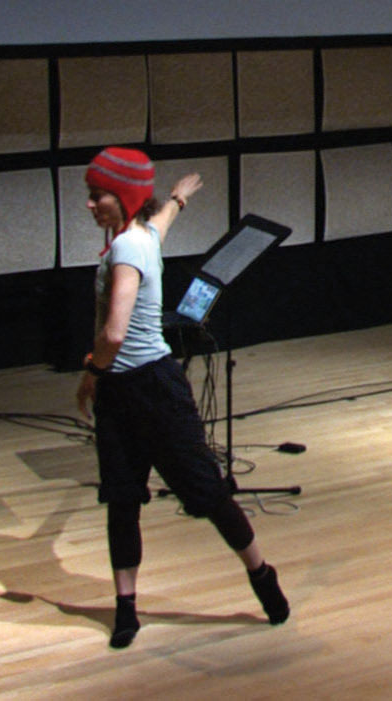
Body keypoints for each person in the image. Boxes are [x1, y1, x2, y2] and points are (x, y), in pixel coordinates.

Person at [75, 147, 288, 648]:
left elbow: (113, 335)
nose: (89, 205)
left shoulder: (129, 249)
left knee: (206, 492)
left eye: (97, 196)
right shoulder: (145, 233)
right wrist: (178, 197)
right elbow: (163, 218)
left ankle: (261, 574)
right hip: (124, 392)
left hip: (150, 388)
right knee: (122, 500)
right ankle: (125, 607)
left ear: (123, 197)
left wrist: (90, 373)